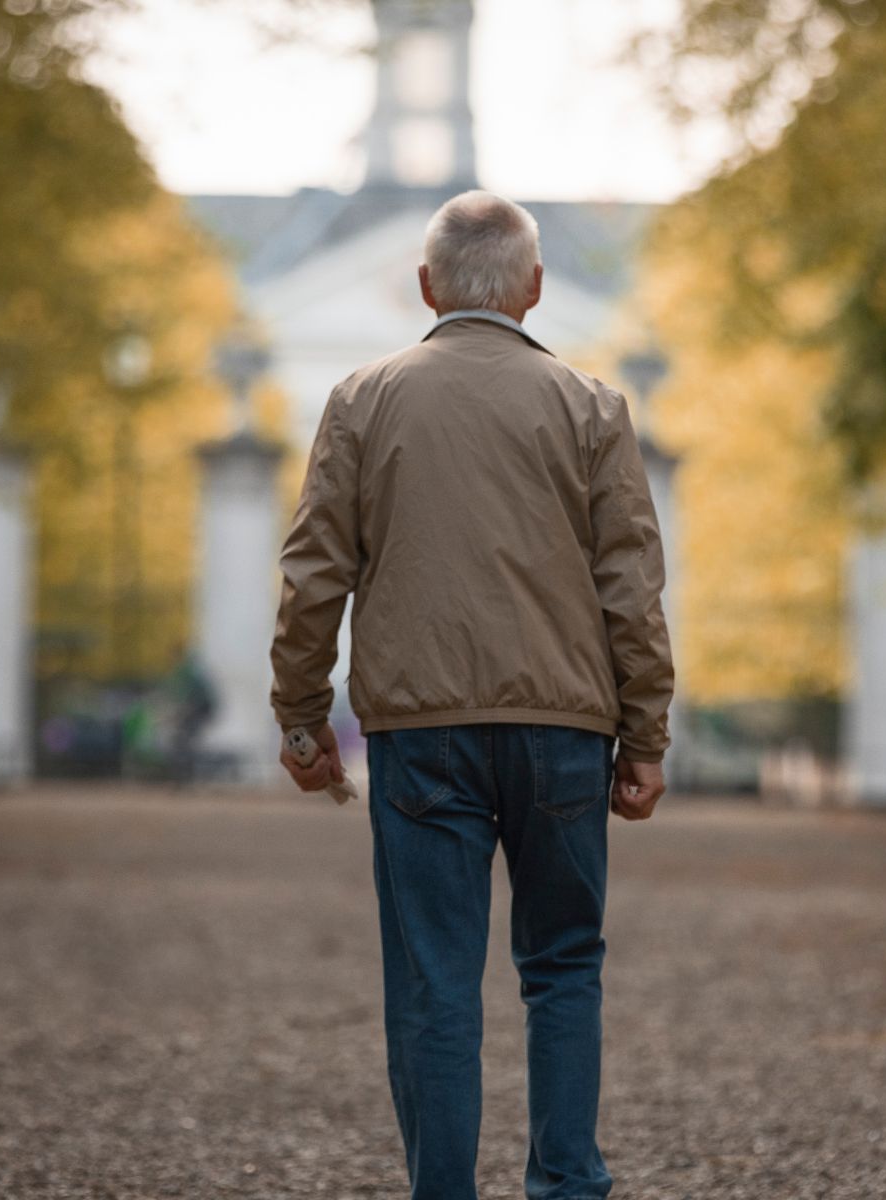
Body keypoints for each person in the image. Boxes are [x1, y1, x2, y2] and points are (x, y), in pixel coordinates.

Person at [268, 190, 674, 1200]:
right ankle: (567, 1184)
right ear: (533, 287)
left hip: (422, 731)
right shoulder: (592, 408)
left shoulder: (362, 400)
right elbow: (630, 586)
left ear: (426, 285)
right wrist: (646, 734)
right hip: (563, 730)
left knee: (435, 981)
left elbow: (314, 573)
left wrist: (302, 716)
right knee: (564, 965)